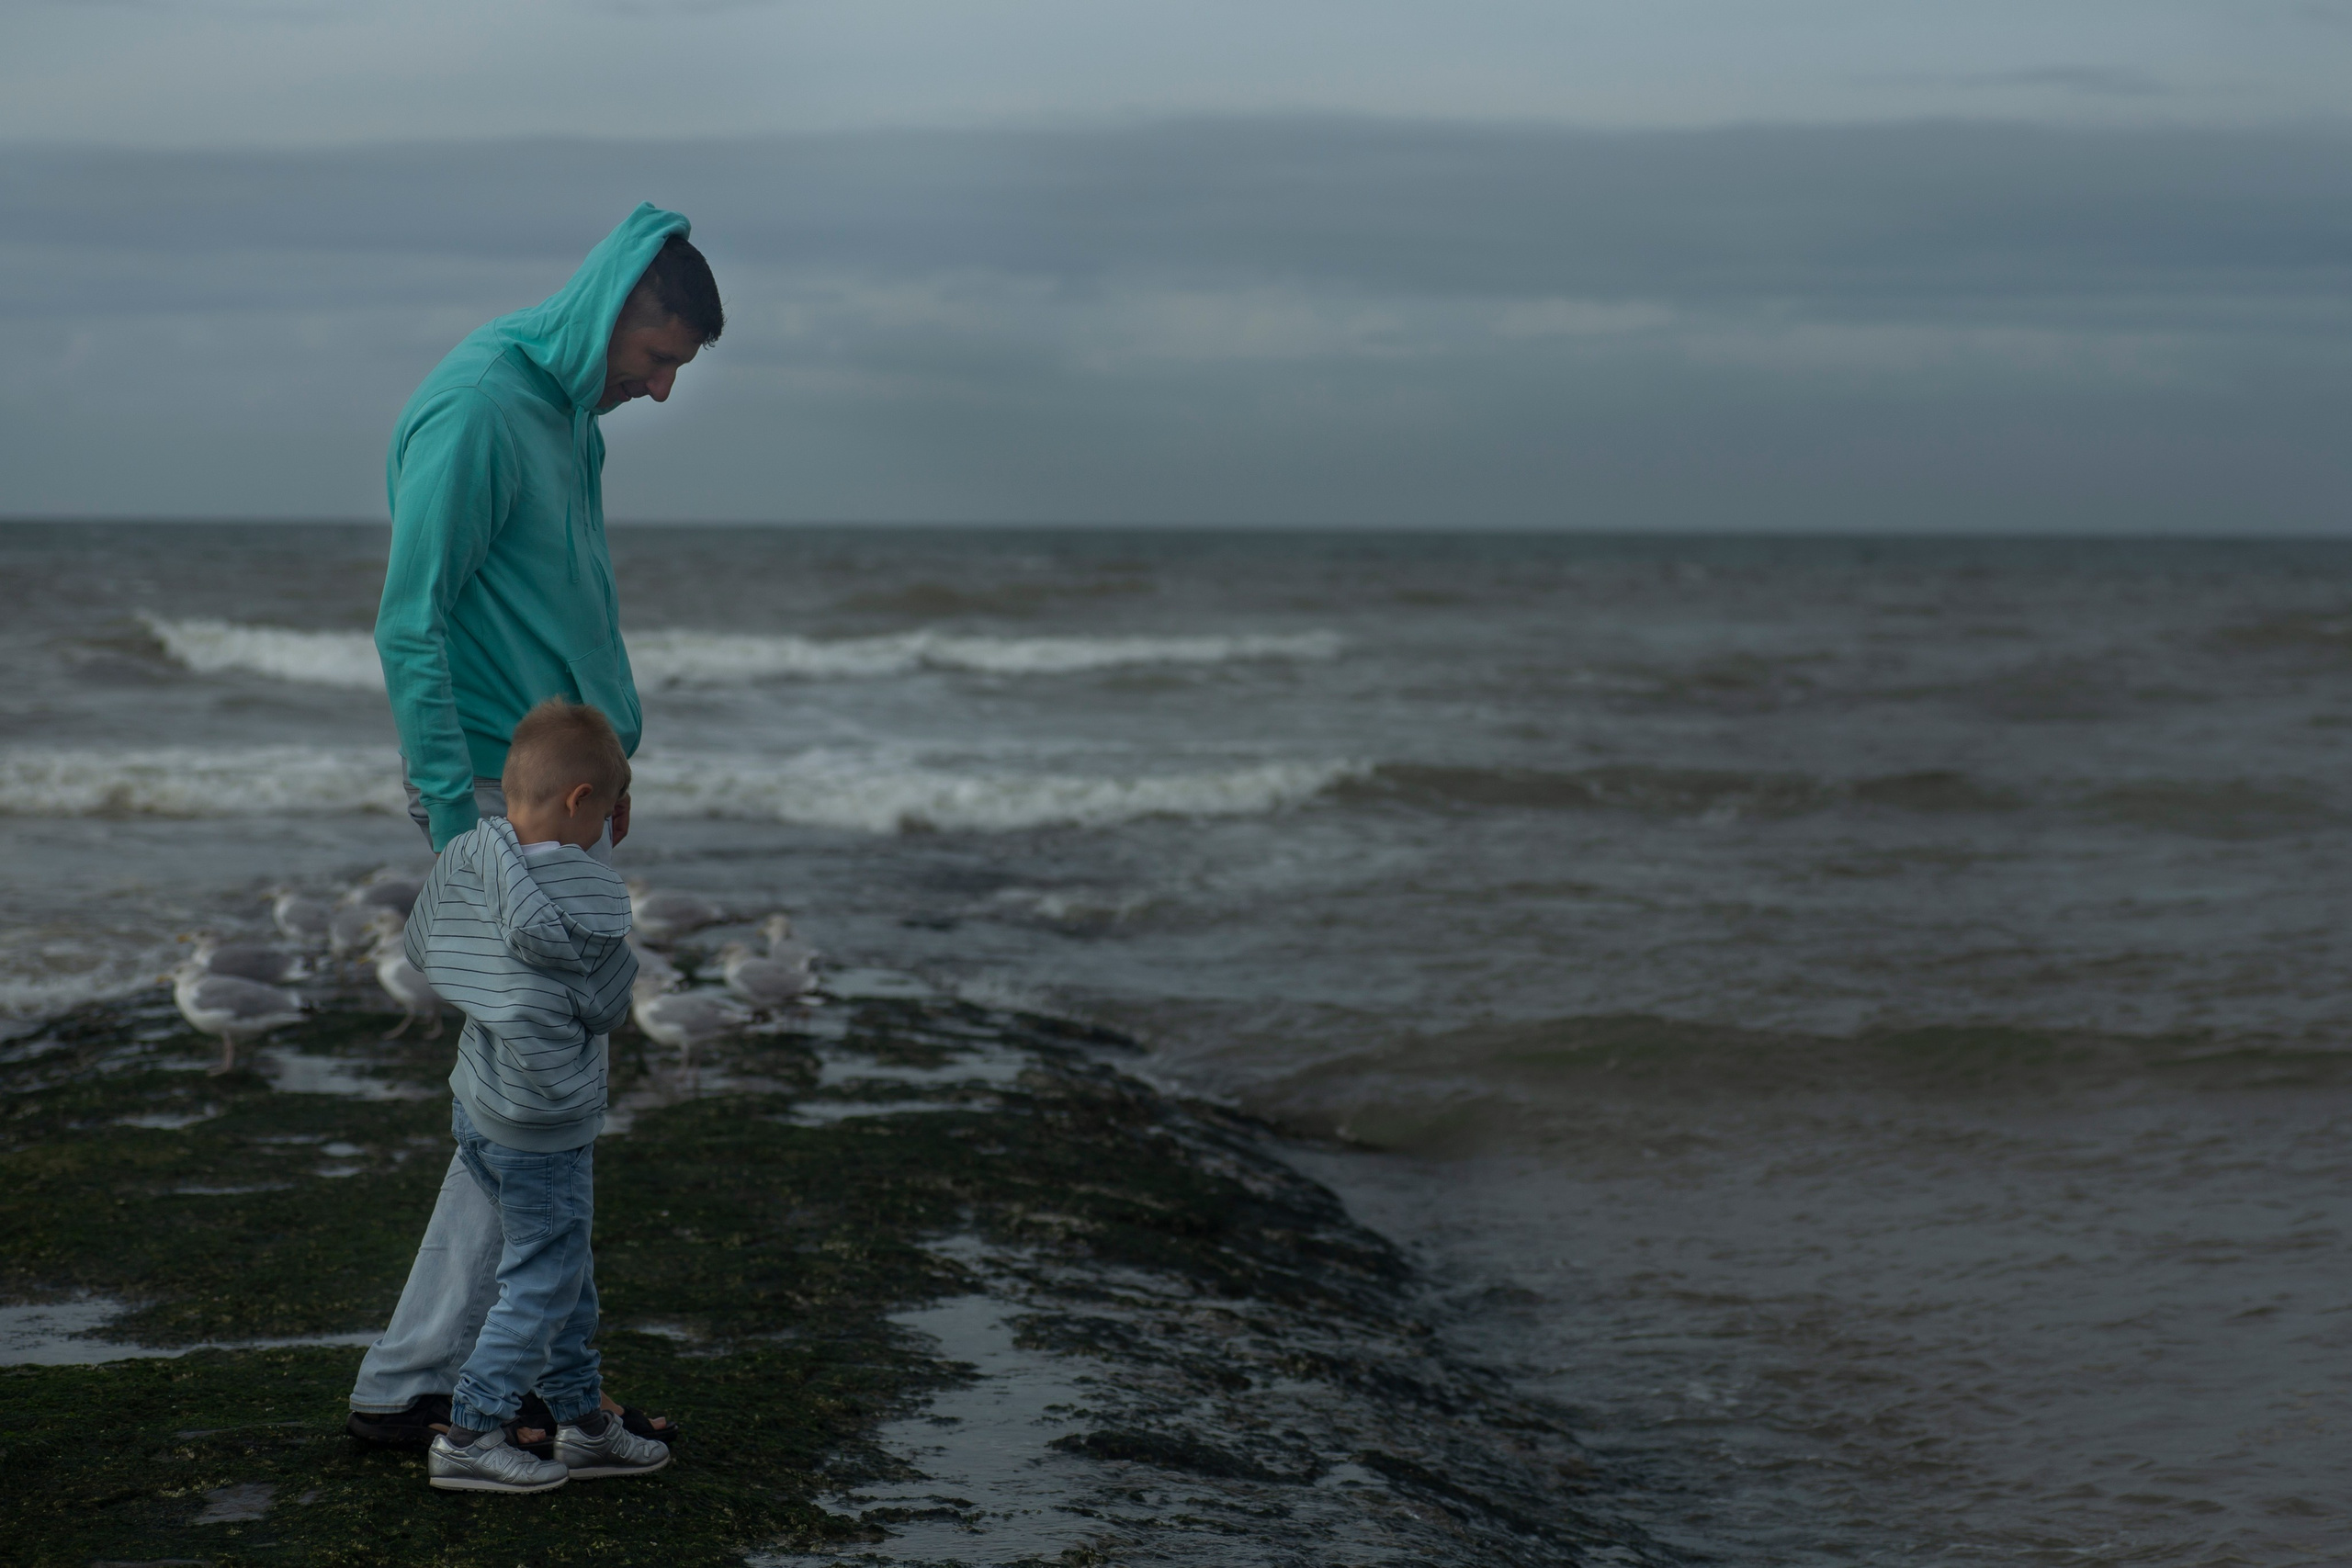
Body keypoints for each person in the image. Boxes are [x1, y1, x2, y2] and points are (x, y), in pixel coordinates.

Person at [348, 203, 721, 1451]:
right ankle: (479, 1391)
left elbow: (575, 600)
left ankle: (440, 1381)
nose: (661, 390)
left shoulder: (566, 414)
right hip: (498, 806)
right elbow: (412, 621)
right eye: (658, 356)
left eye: (678, 369)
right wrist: (464, 830)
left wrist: (608, 762)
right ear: (614, 309)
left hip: (564, 797)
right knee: (536, 1110)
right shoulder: (478, 406)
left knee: (521, 1111)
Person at [403, 699, 663, 1493]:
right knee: (543, 1279)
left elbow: (425, 942)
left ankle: (581, 1419)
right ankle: (472, 1432)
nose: (607, 832)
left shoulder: (469, 855)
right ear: (581, 800)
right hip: (546, 1121)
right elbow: (609, 1003)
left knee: (562, 1265)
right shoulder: (584, 893)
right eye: (607, 813)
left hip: (480, 1099)